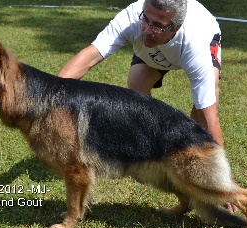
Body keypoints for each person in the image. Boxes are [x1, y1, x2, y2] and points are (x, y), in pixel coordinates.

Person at [59, 0, 237, 212]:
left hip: (190, 47)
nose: (146, 28)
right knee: (137, 84)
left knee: (201, 113)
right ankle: (144, 154)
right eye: (145, 19)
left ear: (176, 26)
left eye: (157, 25)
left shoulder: (196, 44)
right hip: (154, 53)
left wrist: (223, 184)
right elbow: (91, 55)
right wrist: (54, 92)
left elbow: (210, 119)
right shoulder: (134, 17)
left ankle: (194, 179)